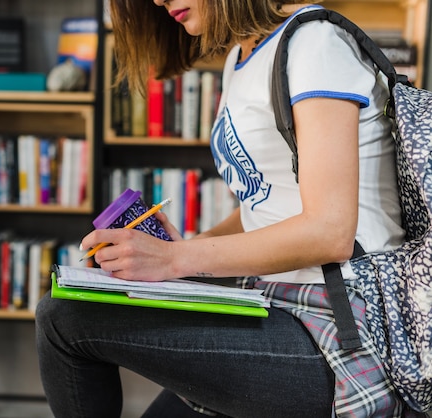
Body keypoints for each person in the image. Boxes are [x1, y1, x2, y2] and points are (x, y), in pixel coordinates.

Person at [36, 0, 421, 416]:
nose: (159, 1)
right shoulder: (241, 56)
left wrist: (174, 259)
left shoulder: (315, 43)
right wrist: (173, 257)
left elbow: (329, 231)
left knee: (64, 317)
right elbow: (265, 203)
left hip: (340, 328)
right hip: (271, 304)